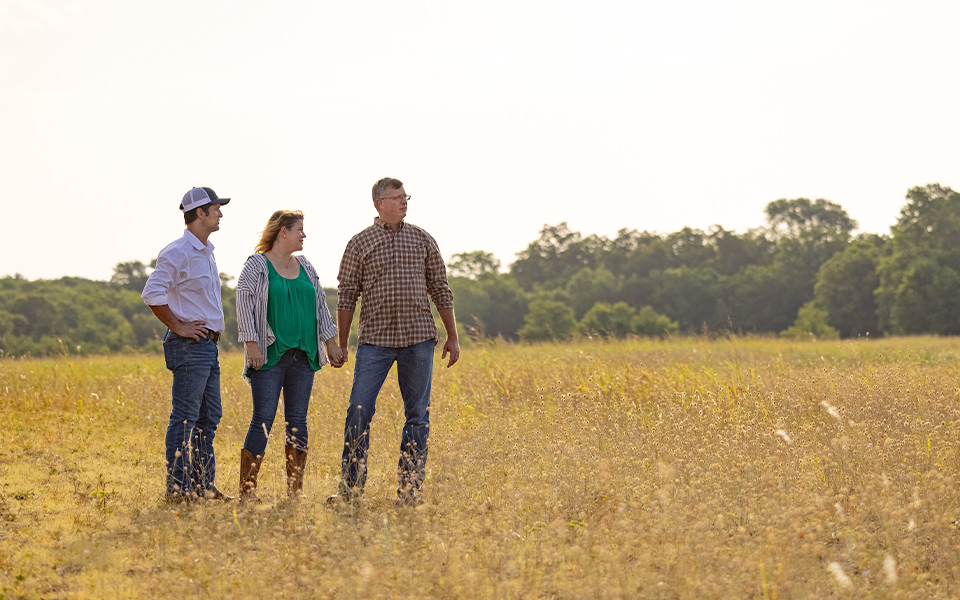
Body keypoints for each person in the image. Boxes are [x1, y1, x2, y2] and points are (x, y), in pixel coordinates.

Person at [329, 177, 460, 506]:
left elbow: (441, 288)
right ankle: (351, 489)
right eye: (397, 197)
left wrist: (452, 336)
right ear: (379, 203)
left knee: (417, 416)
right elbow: (347, 297)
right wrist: (342, 344)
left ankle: (409, 492)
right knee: (358, 410)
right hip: (375, 341)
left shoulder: (422, 239)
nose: (404, 202)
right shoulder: (359, 244)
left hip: (418, 339)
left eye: (406, 197)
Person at [235, 210, 345, 501]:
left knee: (298, 420)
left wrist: (330, 344)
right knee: (263, 418)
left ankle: (295, 492)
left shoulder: (306, 267)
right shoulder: (256, 266)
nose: (304, 235)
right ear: (283, 231)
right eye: (299, 229)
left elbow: (320, 306)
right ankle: (247, 491)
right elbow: (244, 306)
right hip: (269, 355)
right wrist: (252, 346)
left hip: (303, 354)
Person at [142, 186, 232, 502]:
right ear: (199, 213)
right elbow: (152, 294)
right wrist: (178, 325)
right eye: (216, 208)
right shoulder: (177, 252)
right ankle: (177, 491)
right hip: (189, 346)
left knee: (209, 418)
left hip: (208, 345)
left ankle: (203, 487)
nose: (221, 212)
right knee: (185, 418)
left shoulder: (207, 252)